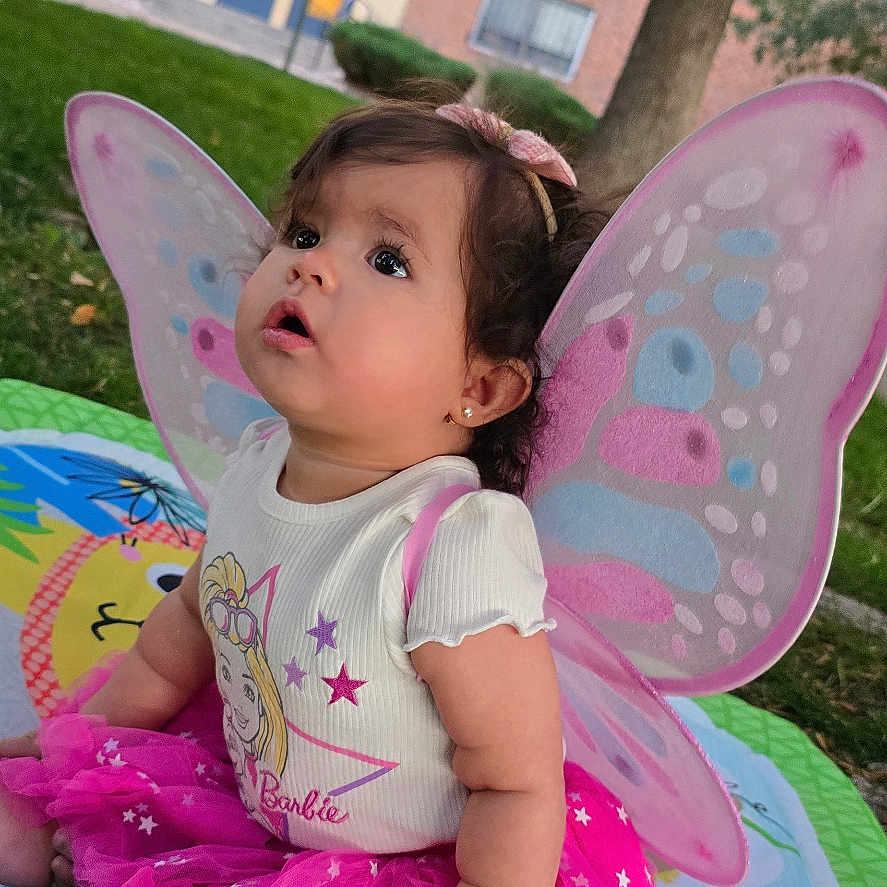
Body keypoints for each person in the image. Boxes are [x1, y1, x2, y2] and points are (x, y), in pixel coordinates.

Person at [0, 100, 650, 887]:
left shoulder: (451, 544)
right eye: (306, 233)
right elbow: (185, 632)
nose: (309, 265)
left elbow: (512, 782)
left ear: (479, 386)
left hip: (408, 859)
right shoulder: (258, 460)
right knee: (21, 818)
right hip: (251, 790)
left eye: (388, 260)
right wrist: (60, 751)